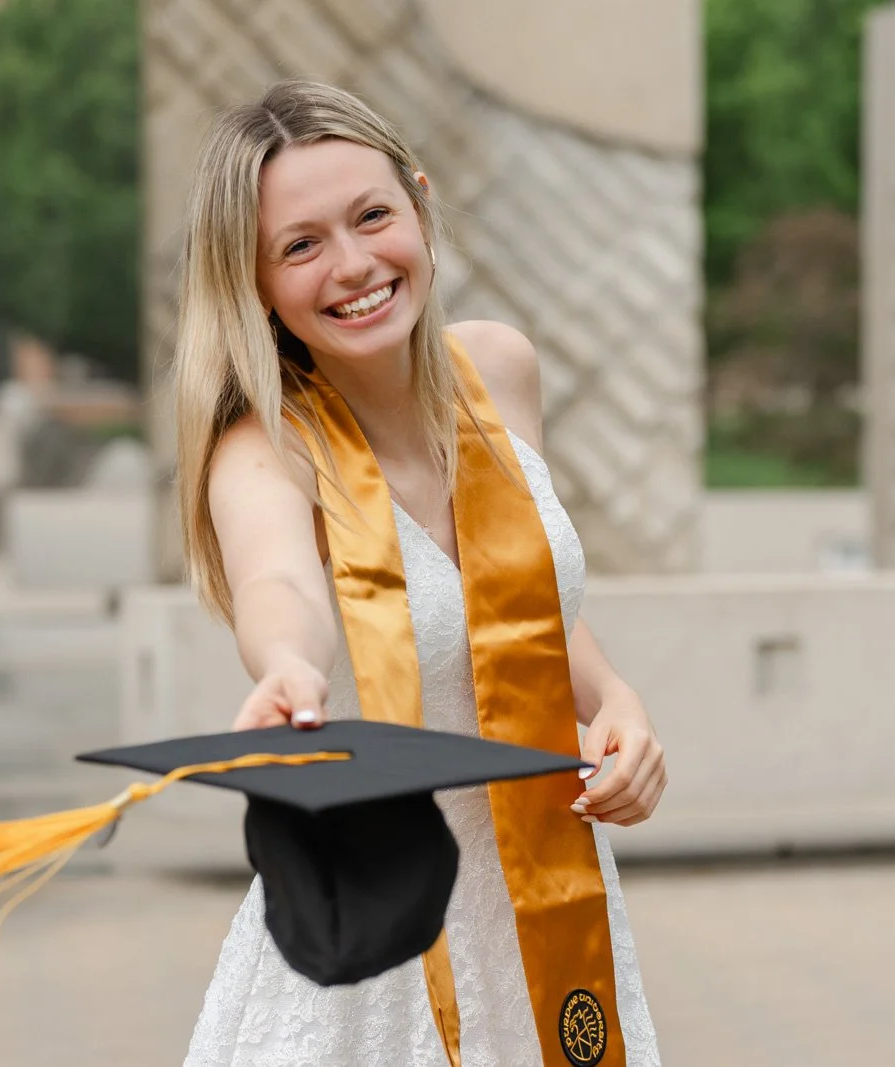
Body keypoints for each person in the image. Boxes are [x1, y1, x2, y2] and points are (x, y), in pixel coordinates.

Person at [172, 79, 667, 1067]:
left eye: (371, 216)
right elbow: (280, 584)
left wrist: (615, 702)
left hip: (551, 898)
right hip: (377, 938)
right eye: (299, 245)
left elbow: (523, 611)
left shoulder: (500, 369)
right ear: (254, 281)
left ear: (421, 204)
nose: (353, 264)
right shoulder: (264, 446)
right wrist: (289, 668)